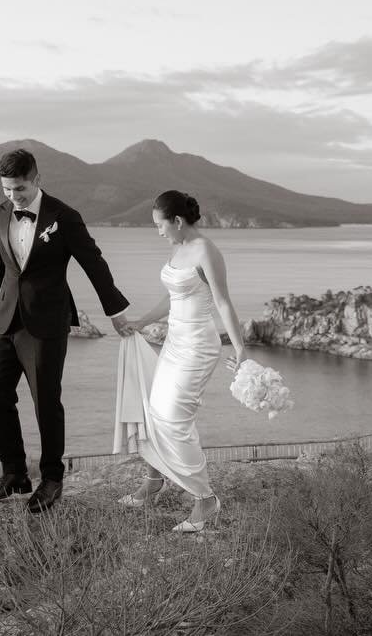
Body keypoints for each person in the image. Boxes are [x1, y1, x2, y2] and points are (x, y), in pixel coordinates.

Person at [0, 148, 132, 513]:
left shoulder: (64, 216)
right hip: (6, 320)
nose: (14, 197)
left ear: (37, 179)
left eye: (20, 189)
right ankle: (14, 475)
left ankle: (52, 478)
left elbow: (94, 263)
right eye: (7, 190)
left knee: (46, 401)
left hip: (46, 324)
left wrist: (115, 310)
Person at [115, 189, 247, 532]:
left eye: (160, 225)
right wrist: (142, 322)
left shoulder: (206, 250)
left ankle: (205, 500)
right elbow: (172, 296)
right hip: (174, 343)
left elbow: (223, 303)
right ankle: (154, 481)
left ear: (177, 221)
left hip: (199, 346)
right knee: (153, 412)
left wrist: (241, 351)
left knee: (174, 418)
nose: (158, 231)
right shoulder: (178, 248)